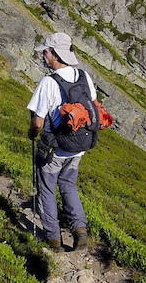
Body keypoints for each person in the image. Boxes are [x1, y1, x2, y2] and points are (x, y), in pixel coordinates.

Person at [27, 32, 97, 251]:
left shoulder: (49, 82)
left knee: (46, 189)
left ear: (56, 54)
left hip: (56, 148)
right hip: (79, 147)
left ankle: (54, 240)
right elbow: (92, 106)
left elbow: (38, 122)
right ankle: (80, 233)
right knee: (68, 186)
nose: (43, 56)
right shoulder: (84, 76)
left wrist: (32, 133)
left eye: (46, 52)